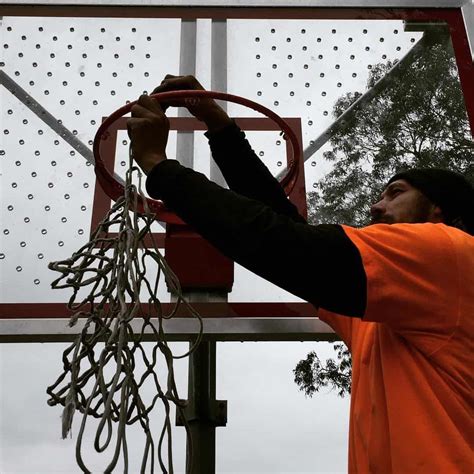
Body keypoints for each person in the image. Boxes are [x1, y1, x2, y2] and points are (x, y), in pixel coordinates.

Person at [127, 75, 474, 473]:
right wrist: (219, 126)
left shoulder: (451, 252)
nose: (376, 207)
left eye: (395, 193)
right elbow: (285, 230)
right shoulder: (390, 317)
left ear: (439, 213)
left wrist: (159, 166)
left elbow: (283, 244)